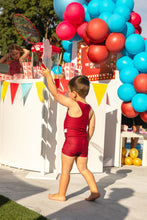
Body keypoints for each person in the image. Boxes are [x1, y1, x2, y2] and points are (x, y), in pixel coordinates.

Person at [42, 67, 100, 202]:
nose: (67, 94)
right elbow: (92, 126)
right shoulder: (90, 109)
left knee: (66, 171)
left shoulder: (73, 104)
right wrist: (87, 138)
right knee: (84, 169)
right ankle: (94, 191)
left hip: (71, 143)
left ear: (74, 94)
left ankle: (61, 194)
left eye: (68, 92)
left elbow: (55, 94)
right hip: (83, 143)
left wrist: (48, 76)